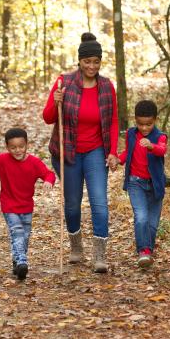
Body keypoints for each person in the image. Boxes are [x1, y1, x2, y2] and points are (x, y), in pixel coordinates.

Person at [42, 32, 119, 273]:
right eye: (87, 62)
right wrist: (56, 101)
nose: (92, 66)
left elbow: (114, 120)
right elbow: (47, 118)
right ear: (79, 61)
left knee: (99, 202)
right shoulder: (64, 83)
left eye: (96, 62)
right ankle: (76, 247)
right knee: (73, 203)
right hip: (69, 152)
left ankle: (99, 255)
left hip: (96, 152)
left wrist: (113, 151)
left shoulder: (106, 86)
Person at [0, 128, 55, 280]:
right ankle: (22, 262)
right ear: (7, 147)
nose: (17, 150)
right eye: (13, 147)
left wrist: (48, 181)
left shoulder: (34, 162)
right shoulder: (2, 160)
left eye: (21, 146)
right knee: (17, 232)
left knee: (24, 237)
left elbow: (49, 173)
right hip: (9, 206)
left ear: (27, 145)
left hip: (27, 206)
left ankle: (17, 261)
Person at [117, 100, 168, 268]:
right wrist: (118, 160)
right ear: (135, 120)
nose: (144, 128)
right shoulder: (131, 134)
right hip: (135, 182)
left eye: (149, 124)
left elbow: (162, 149)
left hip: (155, 186)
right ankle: (143, 251)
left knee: (152, 224)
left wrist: (151, 146)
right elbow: (127, 152)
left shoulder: (160, 136)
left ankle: (148, 252)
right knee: (141, 217)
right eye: (140, 124)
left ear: (155, 120)